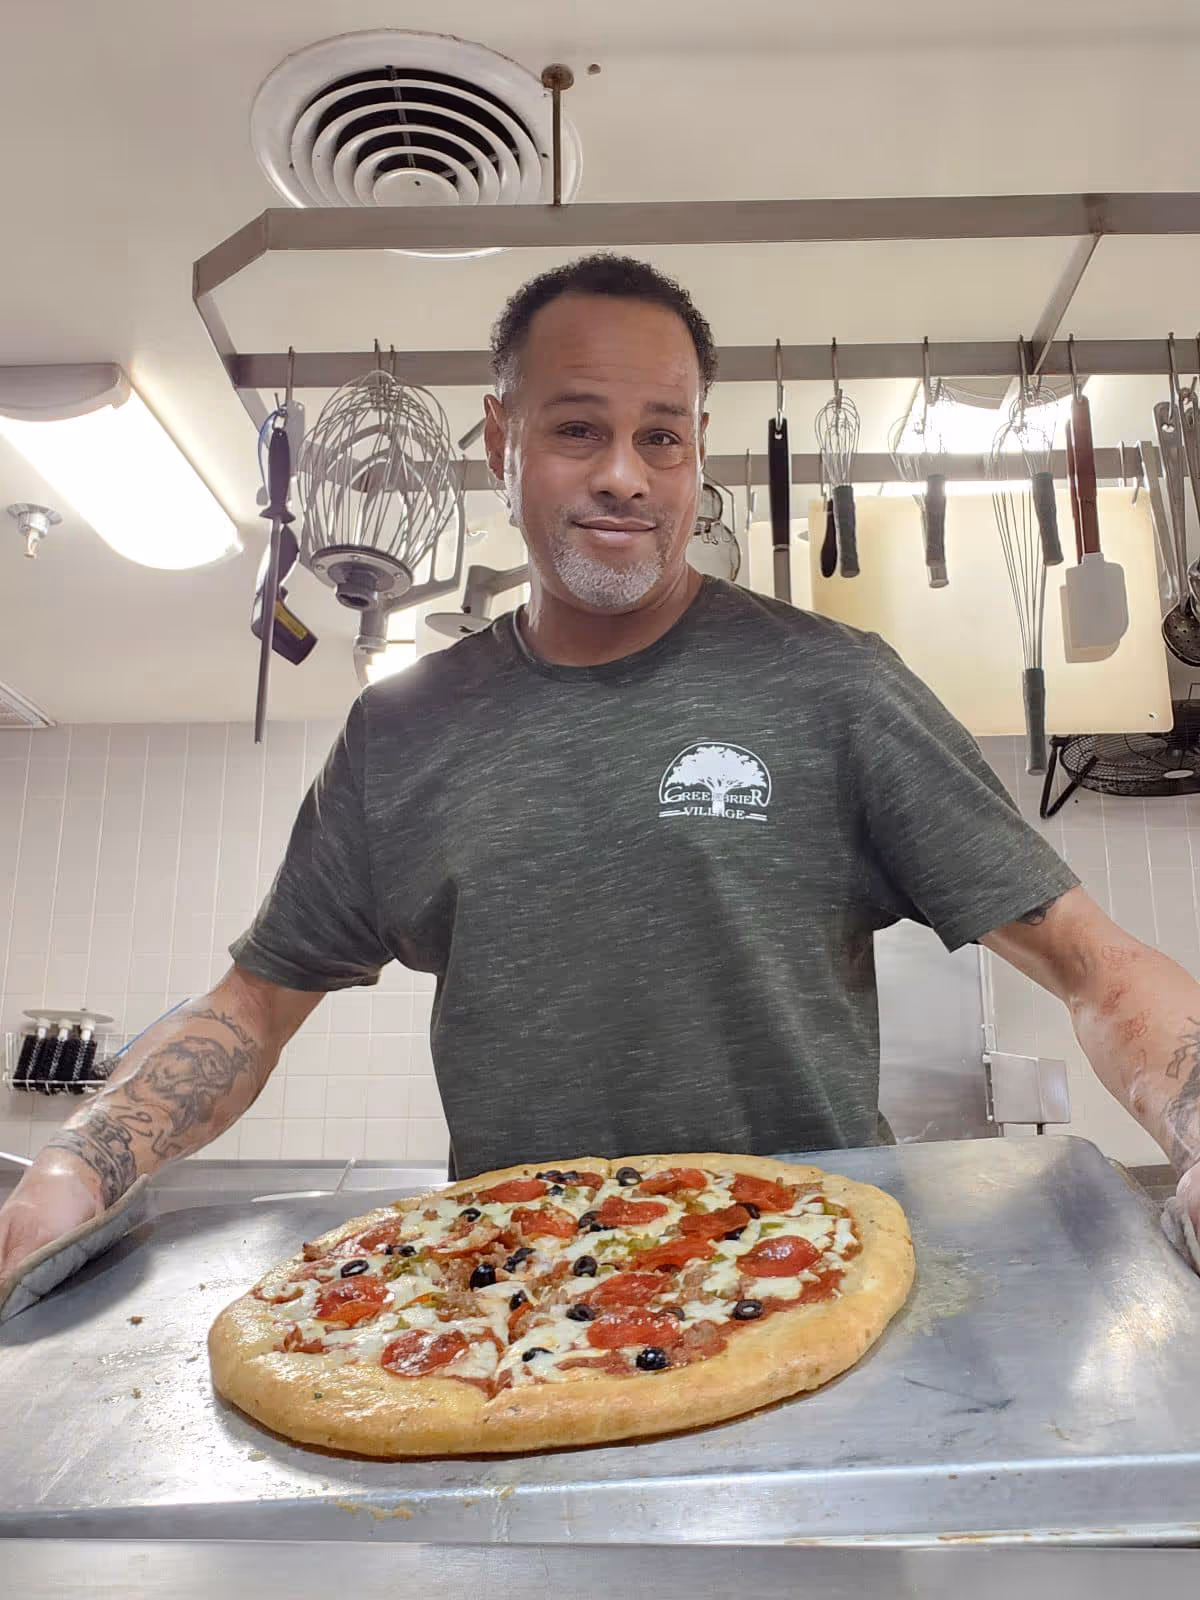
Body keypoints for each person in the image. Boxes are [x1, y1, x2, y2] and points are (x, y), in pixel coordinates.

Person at [1, 255, 1197, 1280]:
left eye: (660, 437)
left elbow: (1096, 967)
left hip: (800, 1282)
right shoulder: (403, 732)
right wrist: (75, 1163)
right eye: (579, 428)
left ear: (694, 451)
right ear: (500, 437)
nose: (625, 472)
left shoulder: (835, 689)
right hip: (505, 1318)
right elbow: (248, 1012)